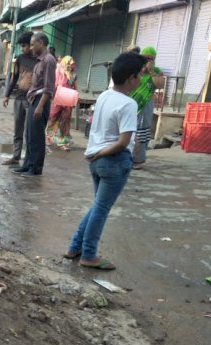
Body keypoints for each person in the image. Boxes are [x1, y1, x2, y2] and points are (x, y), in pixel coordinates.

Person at [64, 52, 147, 270]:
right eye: (139, 75)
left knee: (97, 206)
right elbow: (123, 142)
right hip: (113, 160)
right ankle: (88, 255)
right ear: (130, 78)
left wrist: (96, 154)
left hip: (96, 159)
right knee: (101, 209)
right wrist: (101, 154)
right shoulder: (128, 104)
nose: (140, 79)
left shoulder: (104, 96)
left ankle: (75, 247)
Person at [13, 32, 57, 177]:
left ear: (41, 43)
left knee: (37, 137)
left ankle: (35, 168)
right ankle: (27, 165)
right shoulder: (39, 60)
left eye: (33, 44)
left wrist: (39, 107)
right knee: (30, 135)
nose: (31, 48)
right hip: (33, 100)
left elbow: (48, 87)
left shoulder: (48, 61)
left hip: (40, 101)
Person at [2, 32, 36, 166]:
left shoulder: (39, 60)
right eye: (21, 46)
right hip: (19, 98)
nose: (23, 49)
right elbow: (14, 77)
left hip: (32, 99)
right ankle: (16, 156)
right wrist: (7, 95)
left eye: (25, 46)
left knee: (29, 131)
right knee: (18, 129)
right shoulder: (20, 58)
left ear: (31, 45)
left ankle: (28, 158)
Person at [130, 46, 164, 170]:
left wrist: (151, 72)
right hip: (131, 102)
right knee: (127, 130)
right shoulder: (135, 69)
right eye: (145, 58)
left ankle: (138, 159)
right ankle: (125, 156)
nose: (147, 61)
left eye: (150, 59)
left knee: (141, 132)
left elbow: (160, 85)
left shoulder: (156, 71)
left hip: (145, 104)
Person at [46, 55, 77, 150]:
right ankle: (48, 137)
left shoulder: (73, 74)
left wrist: (74, 100)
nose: (73, 66)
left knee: (64, 121)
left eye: (73, 64)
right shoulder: (58, 71)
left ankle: (62, 142)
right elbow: (54, 83)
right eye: (71, 64)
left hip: (68, 100)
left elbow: (75, 87)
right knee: (53, 118)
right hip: (58, 98)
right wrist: (52, 96)